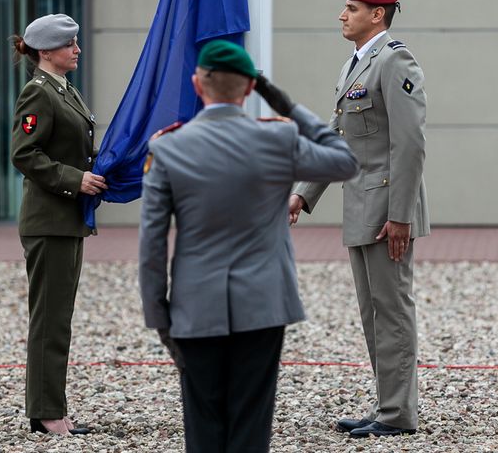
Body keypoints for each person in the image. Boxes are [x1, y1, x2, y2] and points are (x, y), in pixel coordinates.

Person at [139, 40, 359, 453]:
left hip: (195, 305)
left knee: (203, 424)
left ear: (197, 85)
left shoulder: (167, 147)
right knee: (251, 423)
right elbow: (345, 160)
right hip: (262, 303)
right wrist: (285, 104)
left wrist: (159, 316)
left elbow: (151, 242)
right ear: (247, 89)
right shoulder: (278, 138)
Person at [289, 0, 430, 438]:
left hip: (387, 210)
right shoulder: (356, 64)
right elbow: (337, 138)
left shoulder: (394, 60)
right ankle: (388, 405)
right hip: (362, 207)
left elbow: (409, 145)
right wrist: (303, 193)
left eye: (351, 8)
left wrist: (401, 216)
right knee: (373, 313)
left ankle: (397, 414)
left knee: (392, 310)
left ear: (377, 14)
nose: (342, 15)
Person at [11, 13, 107, 436]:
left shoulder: (64, 89)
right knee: (50, 320)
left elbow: (75, 149)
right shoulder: (38, 92)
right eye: (69, 44)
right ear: (46, 52)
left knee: (58, 318)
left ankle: (51, 407)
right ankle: (46, 412)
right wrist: (75, 180)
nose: (77, 49)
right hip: (49, 220)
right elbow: (24, 154)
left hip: (65, 220)